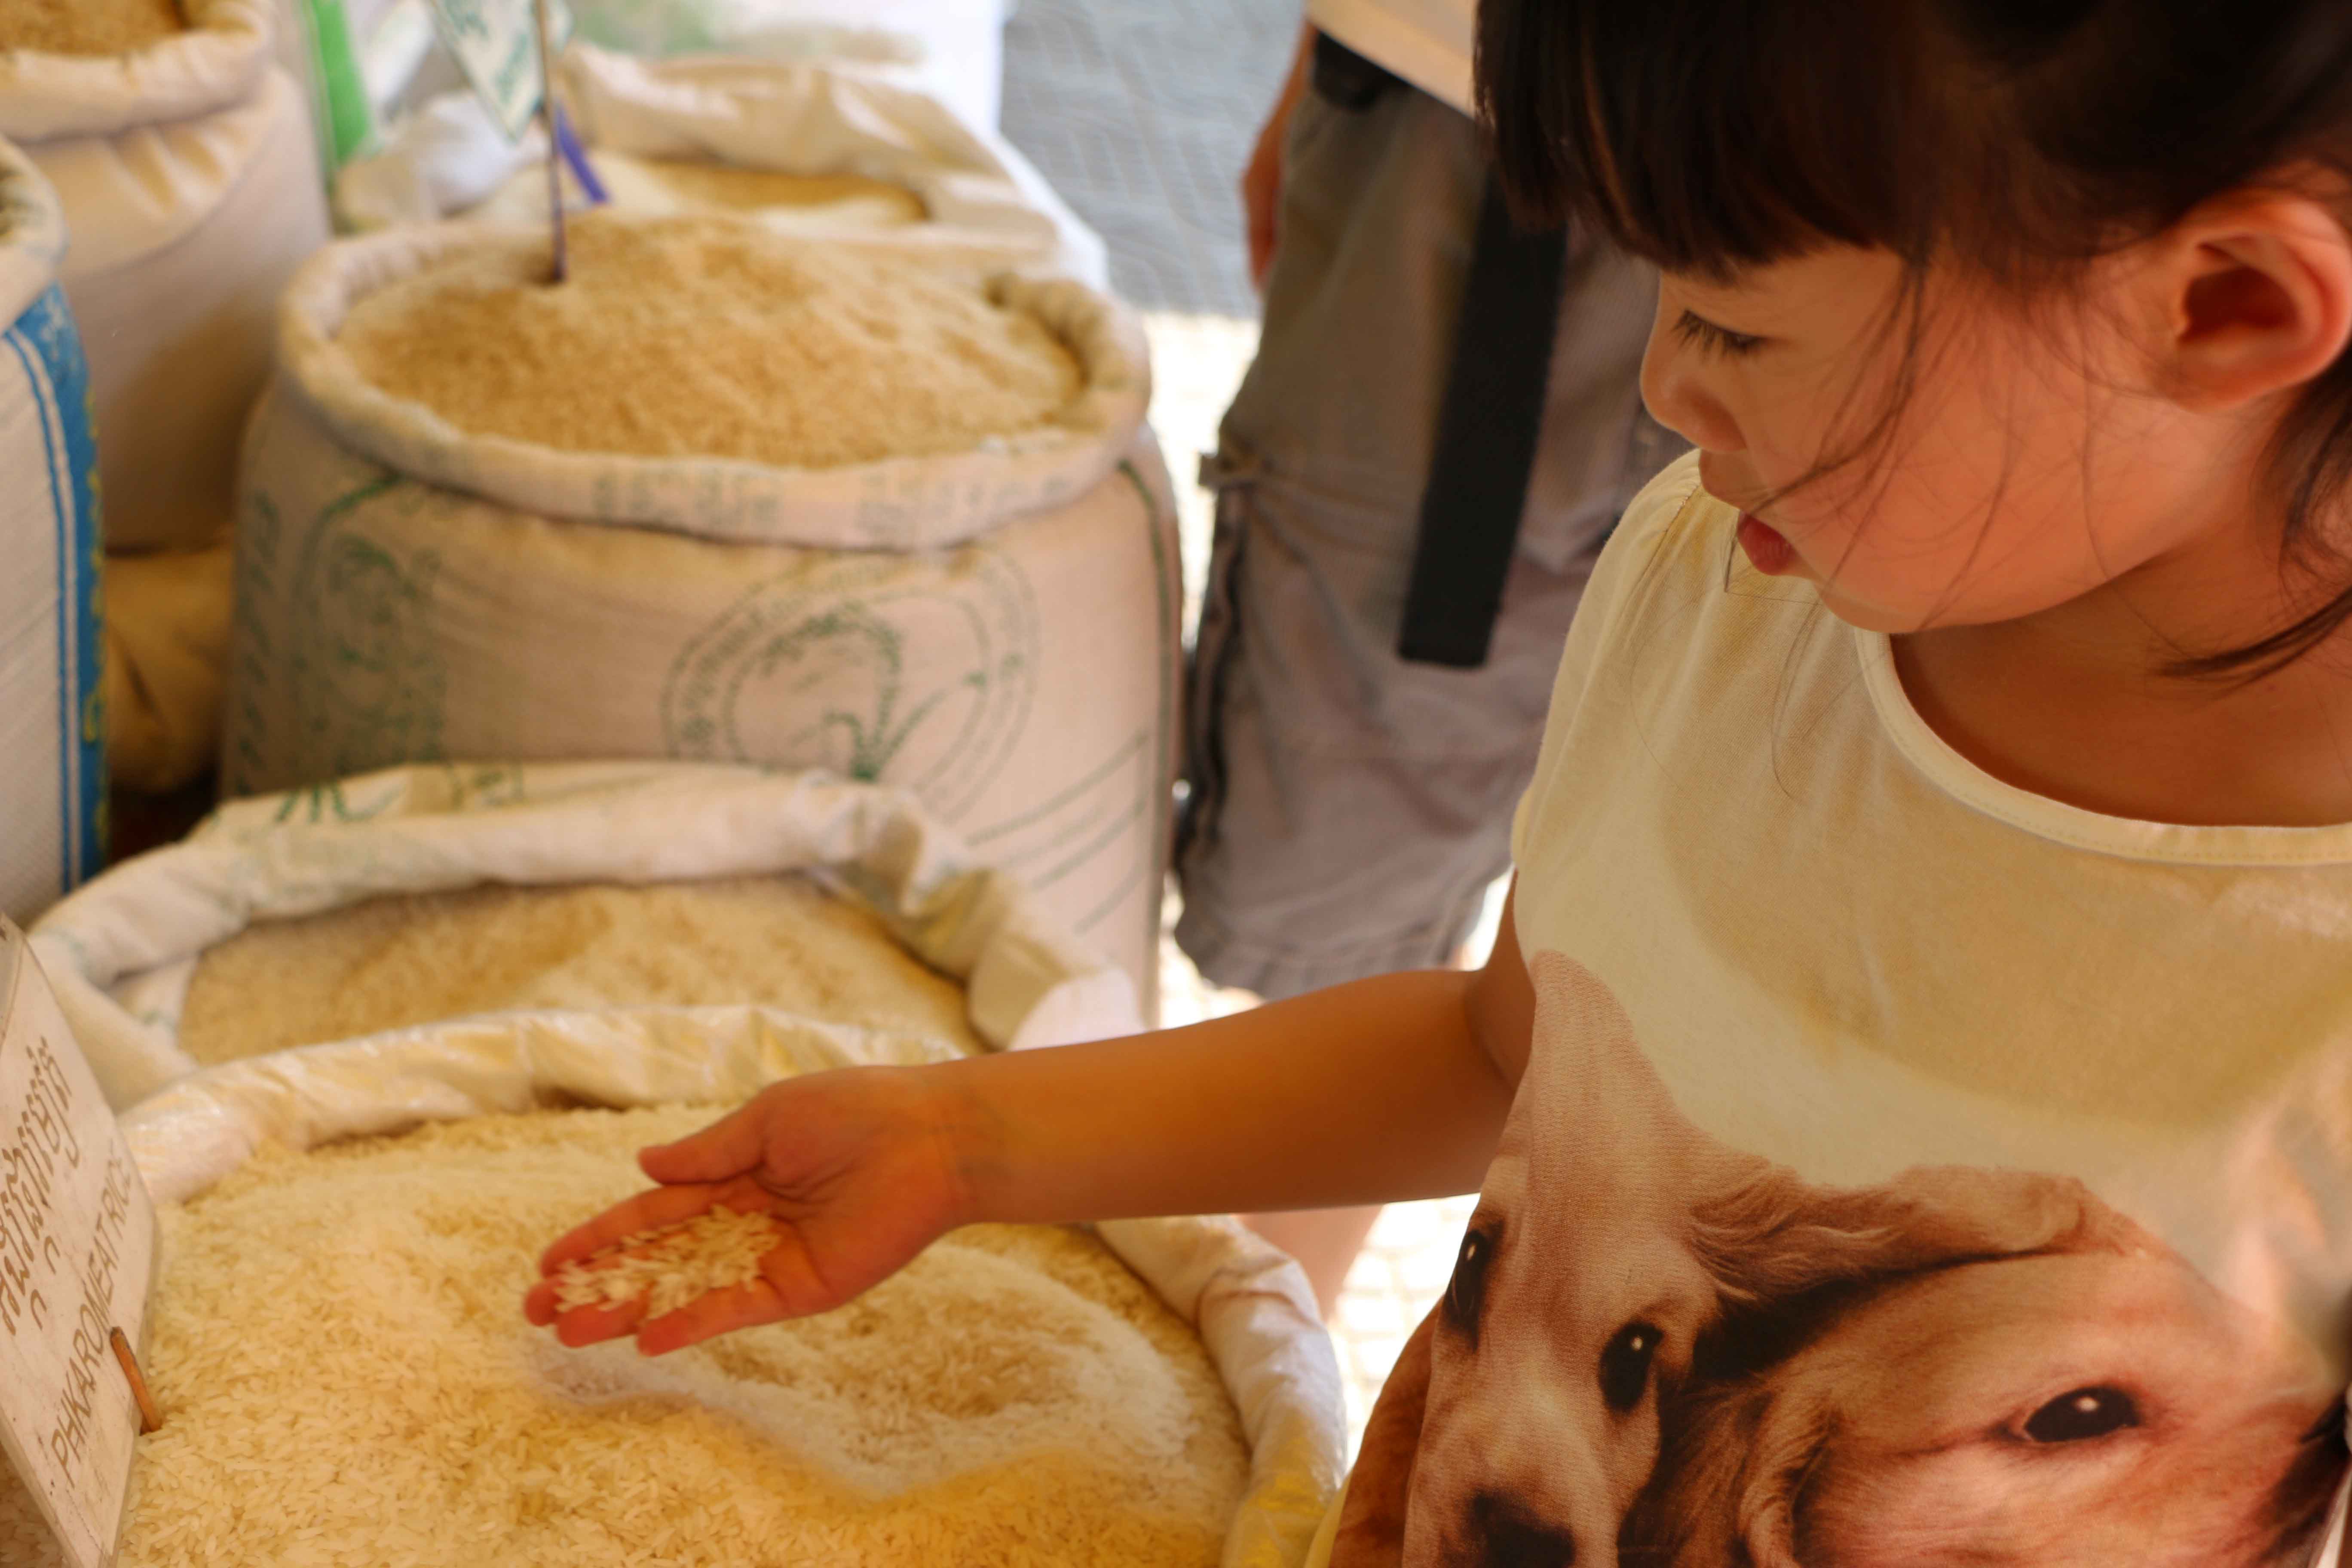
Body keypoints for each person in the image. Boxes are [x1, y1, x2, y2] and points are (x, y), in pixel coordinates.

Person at [528, 1, 2352, 1560]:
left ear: (2229, 306)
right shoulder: (1725, 589)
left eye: (1735, 325)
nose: (1665, 388)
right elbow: (1507, 1057)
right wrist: (962, 1141)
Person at [1184, 3, 1679, 1314]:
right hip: (1479, 112)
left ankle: (1265, 1331)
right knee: (1353, 875)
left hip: (1903, 156)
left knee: (1721, 914)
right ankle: (1262, 1341)